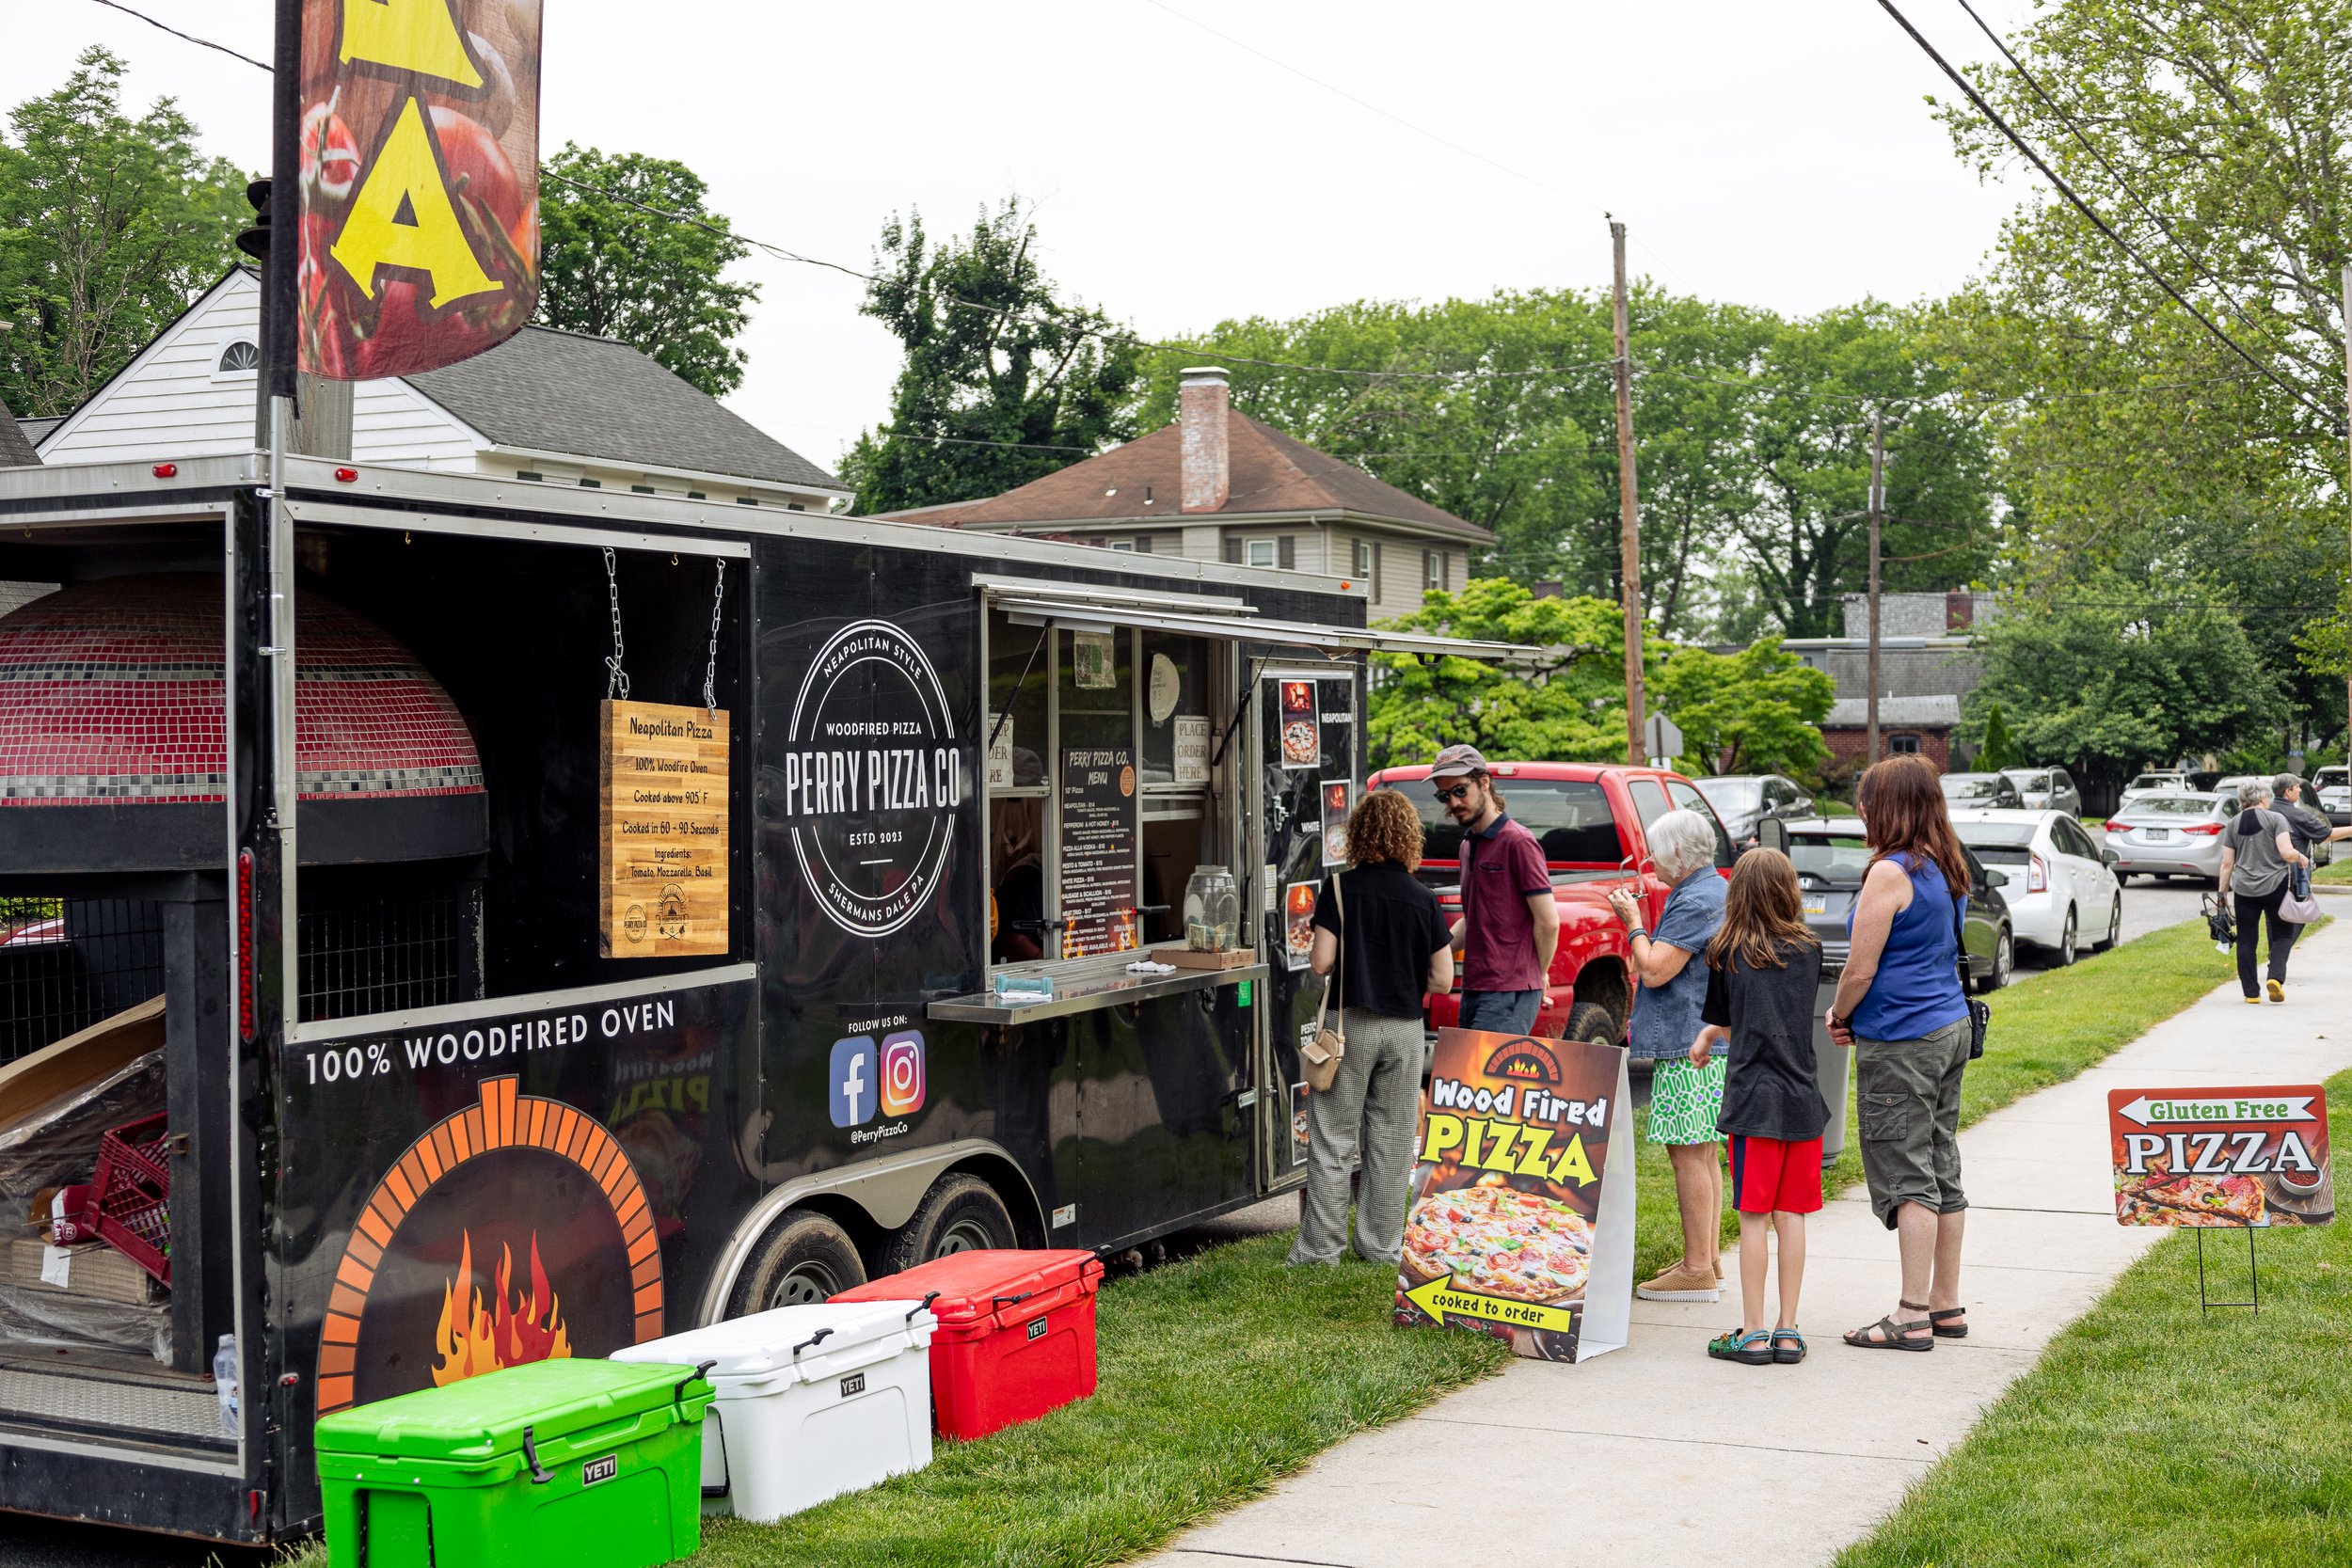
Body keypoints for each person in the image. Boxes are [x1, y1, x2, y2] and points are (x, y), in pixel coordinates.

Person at [1828, 754, 1974, 1352]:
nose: (1861, 809)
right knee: (1942, 1164)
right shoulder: (1947, 864)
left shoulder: (1889, 873)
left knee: (1907, 1172)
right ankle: (1945, 1304)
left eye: (1867, 799)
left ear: (1890, 807)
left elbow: (1859, 969)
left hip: (1903, 1040)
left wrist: (1840, 1014)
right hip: (1948, 1027)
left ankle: (1910, 1314)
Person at [1290, 787, 1454, 1267]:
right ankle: (1381, 1246)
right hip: (1405, 1030)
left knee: (1334, 1139)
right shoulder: (1423, 899)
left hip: (1350, 1027)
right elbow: (1443, 979)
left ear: (1358, 834)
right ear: (1408, 838)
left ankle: (1321, 1250)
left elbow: (1321, 964)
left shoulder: (1340, 890)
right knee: (1392, 1141)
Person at [1692, 847, 1825, 1366]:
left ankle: (1750, 1333)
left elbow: (1739, 1020)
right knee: (1791, 1215)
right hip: (1802, 1101)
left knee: (1753, 1217)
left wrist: (1706, 1034)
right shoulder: (1810, 950)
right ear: (1789, 890)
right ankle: (1787, 1330)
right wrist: (1713, 1033)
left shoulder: (1725, 952)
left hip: (1753, 1104)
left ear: (1738, 893)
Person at [1607, 809, 1730, 1305]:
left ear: (1678, 855)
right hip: (1705, 1039)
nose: (1647, 858)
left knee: (1687, 1154)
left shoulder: (1696, 899)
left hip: (1688, 1044)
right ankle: (1710, 1258)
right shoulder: (1712, 889)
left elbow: (1655, 970)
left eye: (1655, 849)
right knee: (1704, 1152)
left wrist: (1633, 924)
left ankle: (1697, 1268)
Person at [1429, 744, 1561, 1036]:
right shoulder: (1467, 845)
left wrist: (1536, 977)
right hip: (1476, 985)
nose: (1452, 802)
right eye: (1443, 795)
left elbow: (1548, 922)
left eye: (1460, 790)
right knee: (1471, 1077)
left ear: (1484, 781)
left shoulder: (1518, 841)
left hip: (1509, 990)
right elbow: (1473, 919)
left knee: (1488, 1077)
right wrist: (1430, 953)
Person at [2218, 779, 2312, 1004]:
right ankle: (2275, 978)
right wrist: (2301, 857)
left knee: (2247, 939)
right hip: (2275, 886)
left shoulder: (2232, 824)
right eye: (2267, 797)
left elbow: (2226, 864)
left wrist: (2222, 894)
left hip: (2244, 890)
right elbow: (2287, 852)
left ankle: (2251, 993)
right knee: (2282, 934)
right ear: (2261, 798)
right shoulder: (2276, 819)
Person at [2272, 773, 2352, 900]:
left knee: (2273, 918)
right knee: (2296, 915)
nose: (2300, 790)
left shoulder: (2266, 811)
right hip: (2293, 877)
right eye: (2297, 787)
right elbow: (2327, 835)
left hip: (2266, 879)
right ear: (2288, 791)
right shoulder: (2298, 815)